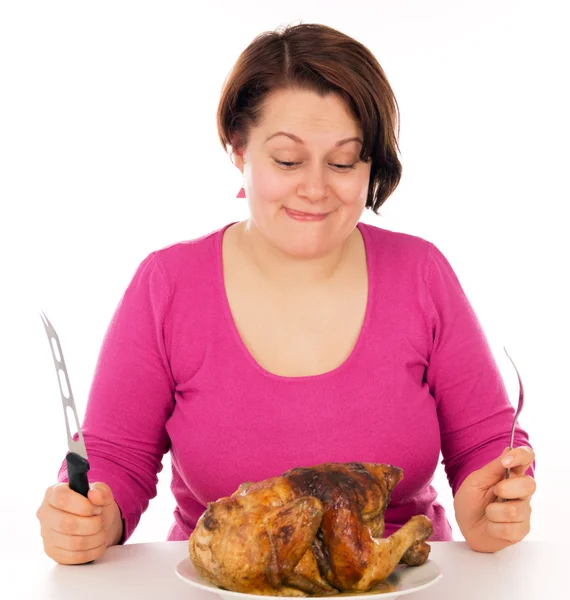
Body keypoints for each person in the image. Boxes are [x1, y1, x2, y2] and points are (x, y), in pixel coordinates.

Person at [36, 22, 536, 566]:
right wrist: (91, 519)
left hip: (400, 582)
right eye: (288, 160)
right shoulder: (167, 284)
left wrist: (492, 507)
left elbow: (487, 446)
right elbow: (115, 460)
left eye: (345, 162)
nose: (317, 188)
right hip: (228, 583)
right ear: (238, 149)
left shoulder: (423, 274)